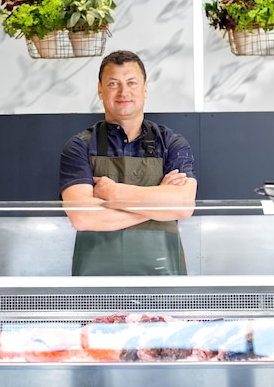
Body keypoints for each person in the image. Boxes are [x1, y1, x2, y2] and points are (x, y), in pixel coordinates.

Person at [59, 50, 197, 276]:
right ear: (100, 90)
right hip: (97, 285)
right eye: (113, 83)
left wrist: (113, 192)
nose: (124, 91)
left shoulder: (171, 143)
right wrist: (158, 203)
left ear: (145, 89)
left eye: (132, 82)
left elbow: (182, 206)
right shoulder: (79, 146)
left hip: (162, 282)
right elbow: (83, 217)